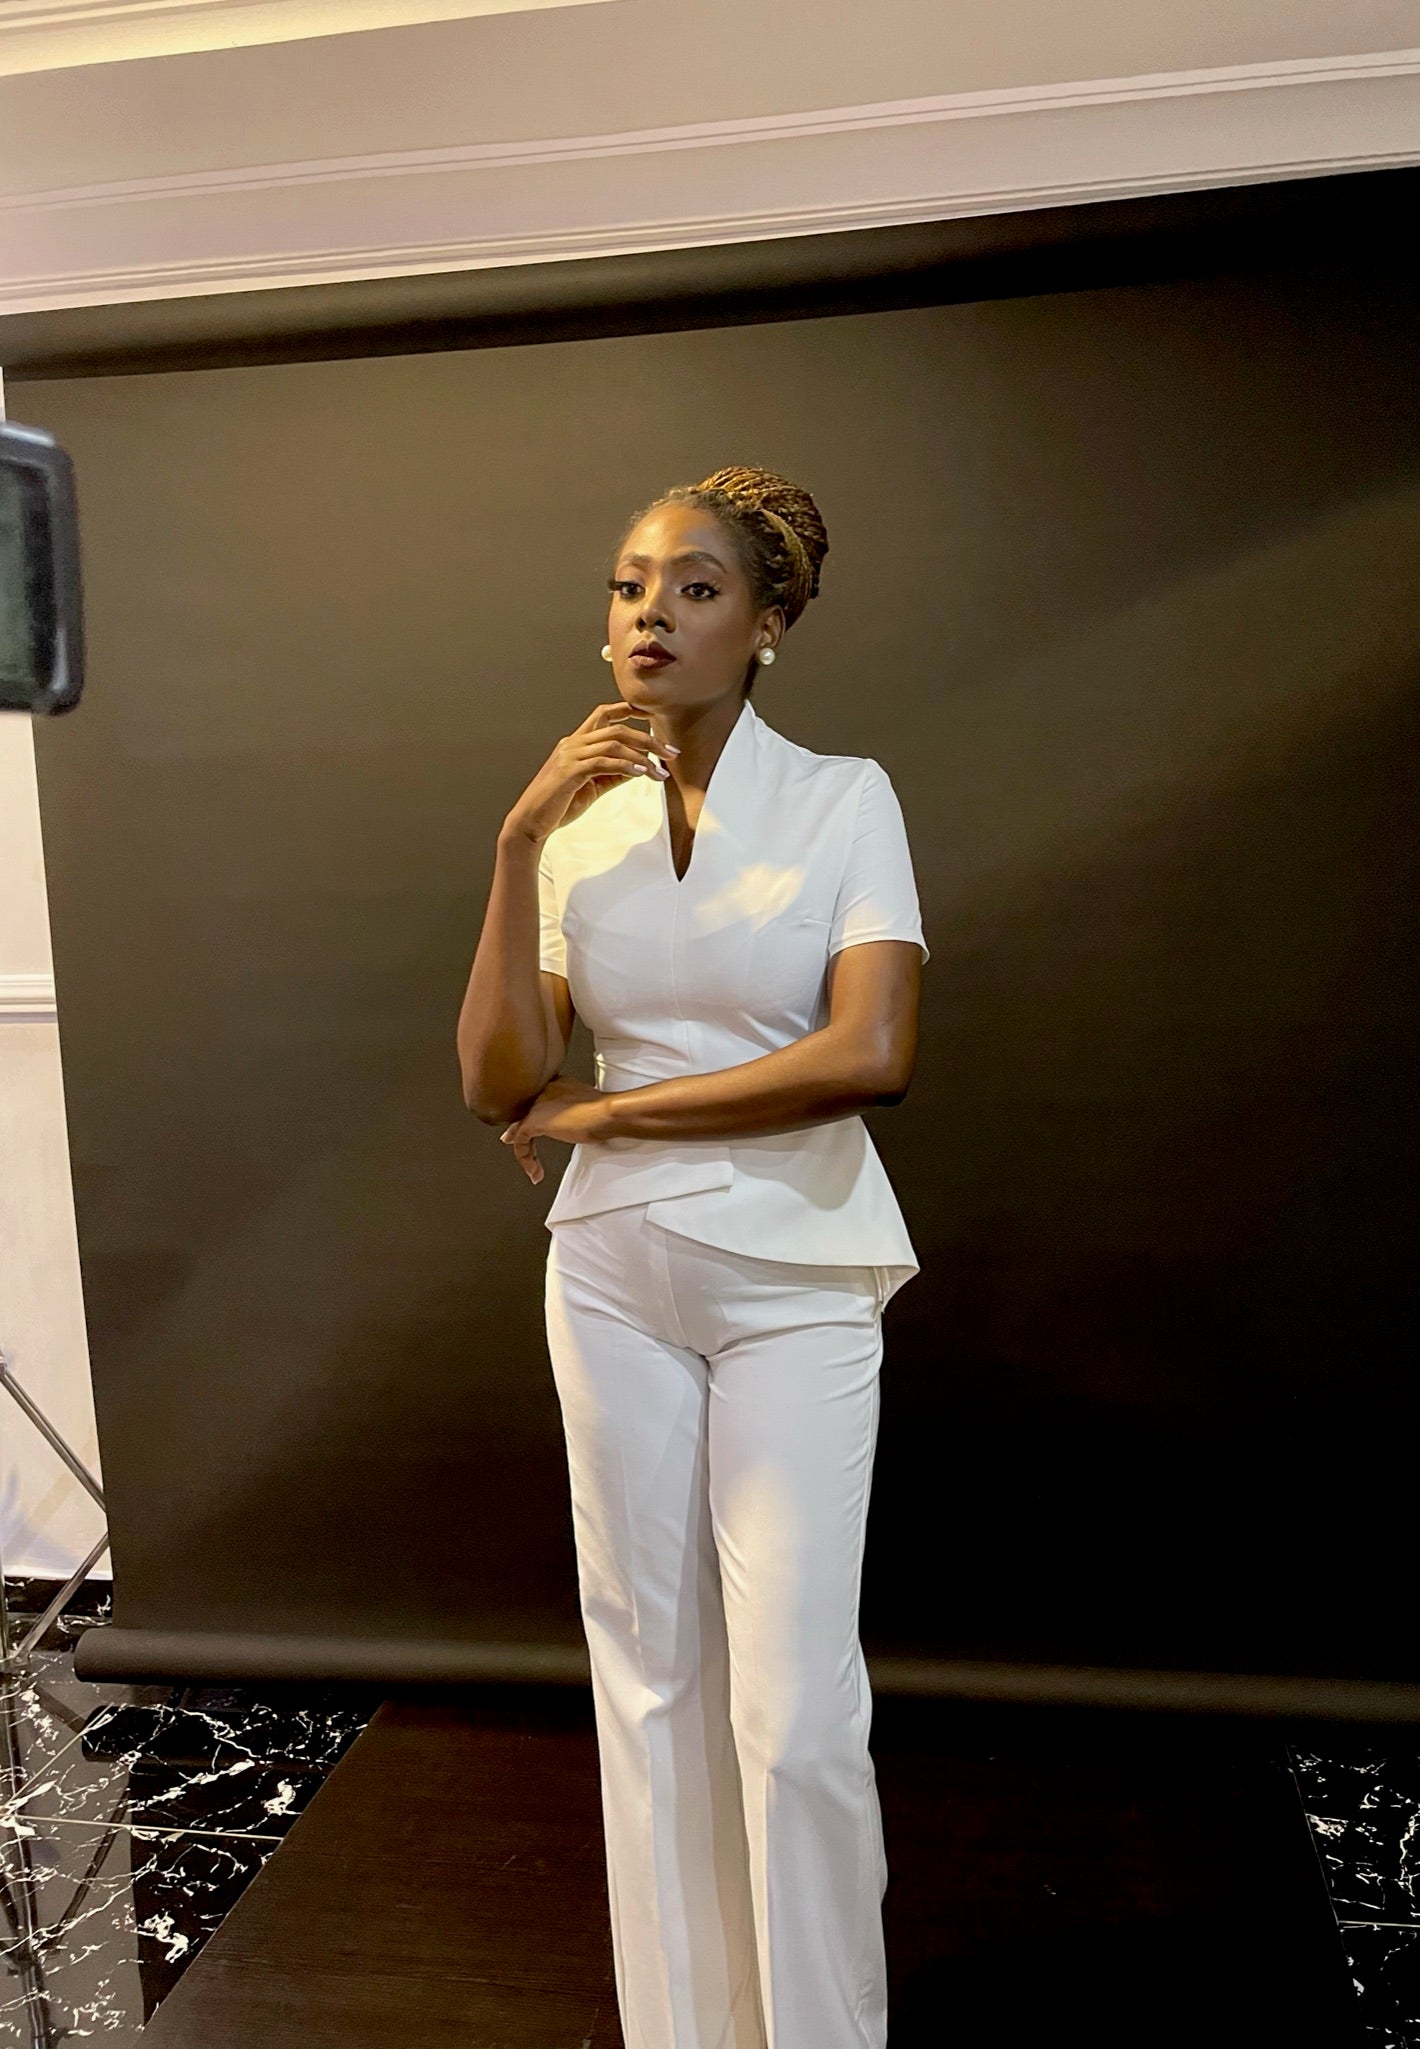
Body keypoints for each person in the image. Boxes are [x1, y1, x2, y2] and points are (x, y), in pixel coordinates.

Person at [457, 465, 928, 2049]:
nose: (649, 611)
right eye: (627, 584)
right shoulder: (572, 827)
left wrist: (621, 1113)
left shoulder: (846, 796)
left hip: (796, 1273)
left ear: (771, 623)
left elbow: (869, 1051)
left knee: (791, 1714)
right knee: (648, 1685)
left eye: (697, 587)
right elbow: (497, 1083)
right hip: (607, 1274)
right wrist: (517, 843)